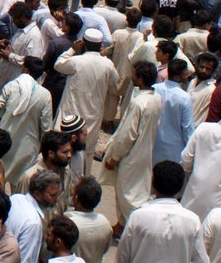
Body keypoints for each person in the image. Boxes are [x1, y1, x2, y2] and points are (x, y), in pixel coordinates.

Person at [102, 62, 162, 232]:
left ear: (141, 79)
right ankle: (121, 225)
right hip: (145, 152)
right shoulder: (156, 98)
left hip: (131, 155)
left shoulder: (138, 103)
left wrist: (114, 157)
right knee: (135, 190)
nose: (131, 77)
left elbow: (128, 135)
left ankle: (133, 228)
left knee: (127, 194)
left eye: (134, 74)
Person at [52, 28, 118, 175]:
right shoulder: (107, 64)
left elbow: (58, 64)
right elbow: (115, 87)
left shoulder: (76, 61)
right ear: (100, 45)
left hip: (70, 115)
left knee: (62, 149)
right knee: (87, 152)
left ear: (84, 43)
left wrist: (72, 50)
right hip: (92, 117)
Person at [117, 161, 207, 263]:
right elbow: (201, 260)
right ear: (181, 187)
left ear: (152, 183)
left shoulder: (137, 216)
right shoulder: (192, 221)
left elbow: (122, 256)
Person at [0, 57, 53, 187]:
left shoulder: (11, 87)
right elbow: (46, 128)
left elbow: (0, 111)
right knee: (19, 188)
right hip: (28, 148)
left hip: (4, 142)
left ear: (25, 70)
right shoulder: (45, 95)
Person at [6, 169, 62, 263]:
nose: (56, 199)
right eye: (52, 195)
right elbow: (25, 260)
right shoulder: (33, 223)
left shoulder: (15, 198)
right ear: (37, 194)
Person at [151, 57, 194, 164]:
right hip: (174, 149)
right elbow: (187, 128)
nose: (187, 76)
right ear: (177, 77)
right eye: (185, 74)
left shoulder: (154, 88)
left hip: (153, 143)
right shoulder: (184, 97)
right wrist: (191, 150)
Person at [67, 177, 111, 263]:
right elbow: (105, 249)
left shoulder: (67, 223)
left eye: (73, 193)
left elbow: (46, 255)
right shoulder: (105, 223)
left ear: (76, 198)